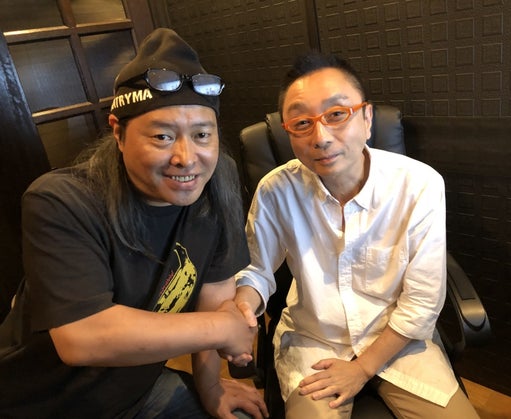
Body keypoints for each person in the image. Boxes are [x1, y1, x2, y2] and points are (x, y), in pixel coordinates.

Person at [0, 28, 267, 419]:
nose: (186, 157)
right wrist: (223, 329)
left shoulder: (218, 179)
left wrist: (211, 387)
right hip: (41, 401)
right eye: (162, 136)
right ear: (118, 132)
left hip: (137, 389)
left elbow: (215, 294)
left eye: (201, 134)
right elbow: (82, 336)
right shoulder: (61, 200)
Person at [235, 51, 480, 418]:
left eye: (337, 114)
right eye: (301, 123)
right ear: (289, 133)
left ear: (367, 119)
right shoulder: (276, 190)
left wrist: (362, 368)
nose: (320, 137)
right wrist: (243, 308)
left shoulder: (419, 185)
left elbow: (422, 302)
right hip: (315, 342)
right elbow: (256, 270)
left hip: (399, 341)